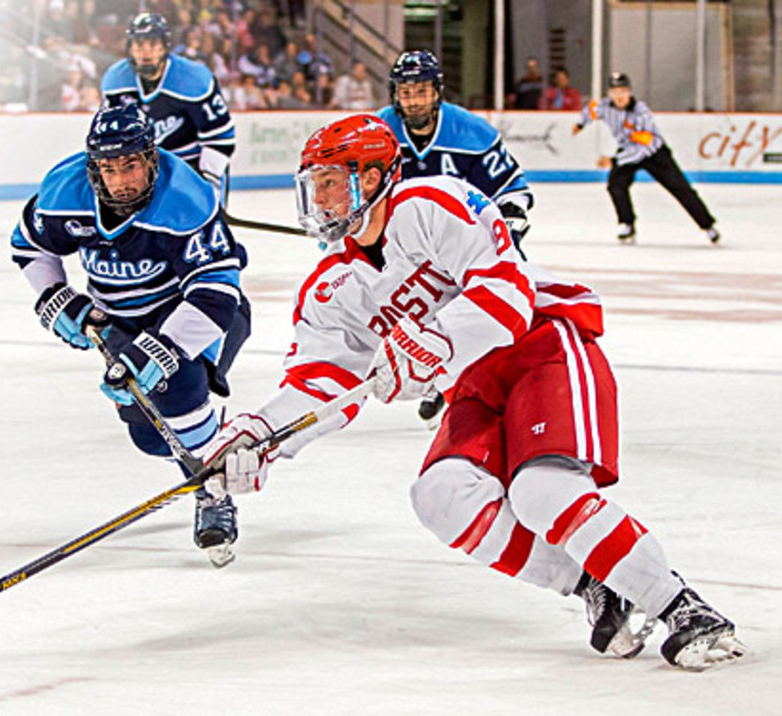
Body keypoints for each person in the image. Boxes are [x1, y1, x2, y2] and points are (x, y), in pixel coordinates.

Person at [200, 114, 748, 671]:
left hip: (540, 347)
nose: (318, 198)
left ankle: (686, 609)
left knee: (542, 491)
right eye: (313, 184)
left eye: (329, 181)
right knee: (441, 494)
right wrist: (259, 435)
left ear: (369, 177)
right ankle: (595, 582)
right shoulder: (330, 288)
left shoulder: (433, 204)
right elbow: (322, 381)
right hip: (473, 384)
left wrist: (432, 341)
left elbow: (507, 294)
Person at [9, 104, 251, 567]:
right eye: (109, 167)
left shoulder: (186, 197)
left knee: (179, 391)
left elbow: (218, 294)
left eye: (131, 165)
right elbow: (29, 246)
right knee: (151, 436)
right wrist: (55, 296)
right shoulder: (64, 191)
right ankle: (205, 447)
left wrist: (164, 347)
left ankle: (213, 492)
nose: (121, 179)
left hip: (193, 315)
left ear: (151, 159)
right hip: (120, 323)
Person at [377, 50, 535, 426]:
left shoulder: (470, 132)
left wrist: (511, 219)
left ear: (437, 92)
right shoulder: (377, 133)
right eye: (406, 92)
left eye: (421, 91)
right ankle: (439, 380)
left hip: (466, 240)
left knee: (505, 299)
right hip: (407, 246)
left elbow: (513, 188)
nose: (413, 100)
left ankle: (520, 371)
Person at [101, 13, 236, 204]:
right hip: (144, 165)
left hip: (191, 163)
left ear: (165, 47)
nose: (145, 52)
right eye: (139, 45)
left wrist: (208, 180)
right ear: (130, 48)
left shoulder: (194, 79)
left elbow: (221, 137)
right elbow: (110, 137)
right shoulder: (116, 81)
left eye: (153, 44)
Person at [573, 72, 719, 244]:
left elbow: (643, 147)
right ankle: (626, 223)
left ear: (629, 92)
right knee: (616, 185)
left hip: (654, 153)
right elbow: (590, 111)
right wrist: (580, 124)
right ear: (610, 93)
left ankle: (708, 225)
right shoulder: (604, 107)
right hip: (627, 151)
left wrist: (613, 161)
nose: (619, 96)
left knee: (680, 188)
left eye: (623, 91)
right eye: (615, 91)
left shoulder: (641, 112)